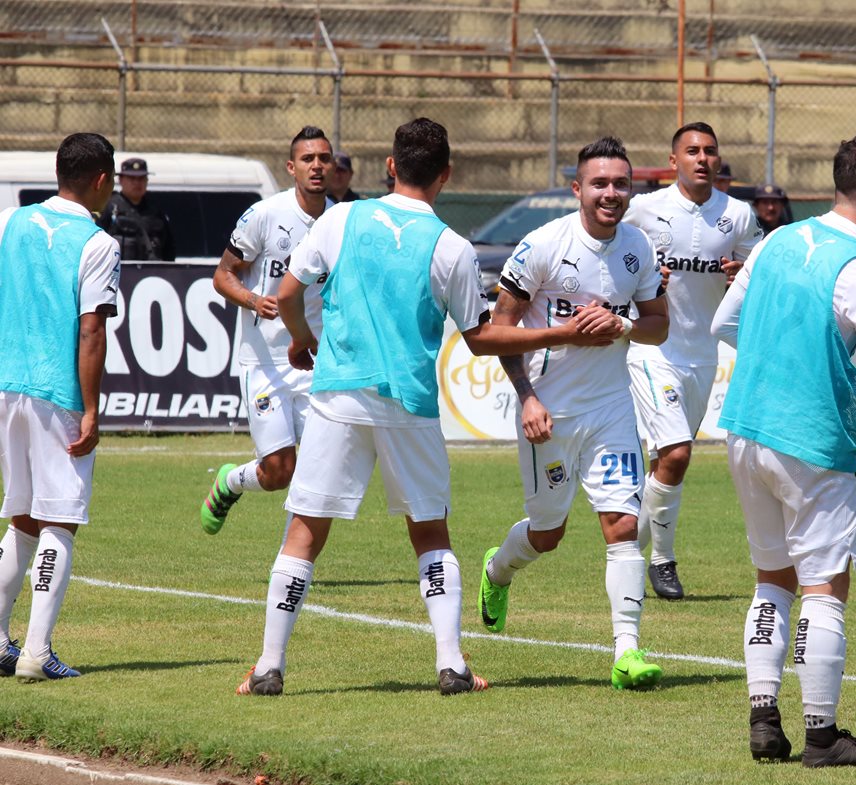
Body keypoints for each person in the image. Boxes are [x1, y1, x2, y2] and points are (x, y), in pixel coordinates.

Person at [235, 118, 611, 697]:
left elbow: (288, 294)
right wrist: (561, 335)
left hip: (338, 395)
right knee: (430, 532)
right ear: (446, 175)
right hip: (409, 404)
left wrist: (302, 340)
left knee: (305, 530)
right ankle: (451, 664)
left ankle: (268, 665)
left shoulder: (339, 218)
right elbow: (482, 338)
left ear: (390, 166)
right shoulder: (451, 247)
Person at [712, 131, 856, 766]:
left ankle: (762, 719)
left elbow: (727, 324)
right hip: (813, 443)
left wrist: (778, 365)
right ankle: (822, 734)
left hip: (746, 430)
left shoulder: (779, 240)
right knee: (825, 589)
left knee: (772, 581)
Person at [477, 136, 670, 690]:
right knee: (547, 533)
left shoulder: (638, 247)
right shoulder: (542, 245)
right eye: (600, 183)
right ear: (577, 189)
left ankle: (627, 652)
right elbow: (498, 330)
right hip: (551, 411)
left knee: (623, 526)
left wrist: (625, 325)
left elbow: (659, 323)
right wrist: (527, 397)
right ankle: (497, 569)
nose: (611, 193)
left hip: (611, 408)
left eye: (620, 184)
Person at [0, 133, 121, 682]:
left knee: (22, 516)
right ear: (100, 180)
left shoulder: (11, 220)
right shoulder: (98, 243)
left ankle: (1, 640)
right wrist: (91, 408)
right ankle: (37, 653)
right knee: (62, 519)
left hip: (8, 386)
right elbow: (91, 329)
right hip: (57, 393)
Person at [623, 122, 761, 599]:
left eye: (710, 151)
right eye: (692, 151)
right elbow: (609, 253)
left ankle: (625, 547)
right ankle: (662, 562)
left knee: (664, 460)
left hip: (703, 356)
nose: (702, 158)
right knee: (678, 454)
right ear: (673, 161)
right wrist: (640, 272)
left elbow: (755, 275)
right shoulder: (643, 209)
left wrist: (740, 274)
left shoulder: (738, 215)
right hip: (650, 348)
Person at [199, 126, 333, 535]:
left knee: (316, 471)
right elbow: (223, 275)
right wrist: (254, 300)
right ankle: (229, 482)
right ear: (292, 167)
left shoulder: (341, 220)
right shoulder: (265, 215)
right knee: (278, 472)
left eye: (324, 159)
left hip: (316, 363)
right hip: (265, 360)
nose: (317, 166)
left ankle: (293, 563)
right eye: (308, 159)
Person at [97, 157, 176, 261]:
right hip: (120, 272)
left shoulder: (156, 211)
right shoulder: (108, 207)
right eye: (132, 178)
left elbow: (169, 250)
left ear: (147, 180)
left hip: (151, 273)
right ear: (120, 180)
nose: (137, 183)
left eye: (141, 179)